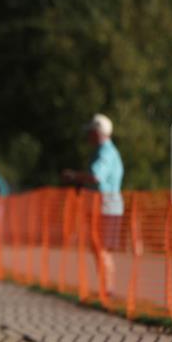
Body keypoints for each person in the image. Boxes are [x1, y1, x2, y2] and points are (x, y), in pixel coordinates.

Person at [62, 113, 124, 298]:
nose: (88, 136)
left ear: (98, 132)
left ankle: (108, 289)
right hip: (104, 206)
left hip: (106, 207)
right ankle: (107, 288)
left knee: (101, 248)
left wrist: (74, 176)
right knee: (100, 248)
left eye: (90, 132)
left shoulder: (105, 152)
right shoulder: (105, 151)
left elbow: (96, 176)